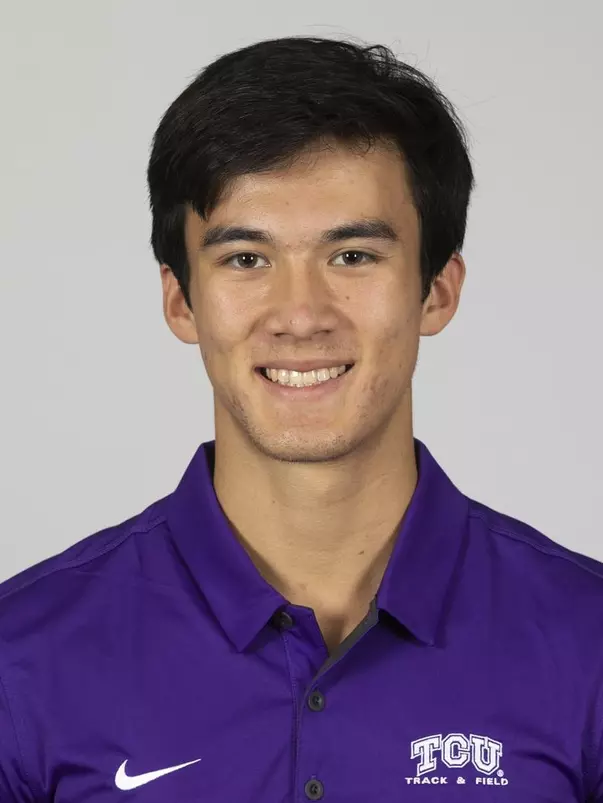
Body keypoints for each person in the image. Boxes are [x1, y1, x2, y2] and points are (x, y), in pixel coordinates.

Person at [0, 34, 601, 803]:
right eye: (246, 259)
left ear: (436, 291)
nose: (300, 315)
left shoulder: (588, 645)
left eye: (352, 256)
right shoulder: (23, 660)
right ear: (181, 299)